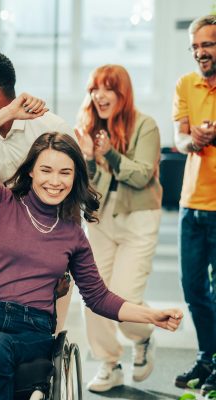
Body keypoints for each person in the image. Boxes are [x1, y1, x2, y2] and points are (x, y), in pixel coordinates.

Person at [0, 95, 183, 400]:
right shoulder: (0, 201)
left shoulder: (73, 234)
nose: (55, 181)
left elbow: (98, 297)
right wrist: (8, 113)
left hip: (31, 326)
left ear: (75, 177)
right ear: (30, 171)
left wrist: (151, 316)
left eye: (65, 172)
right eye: (46, 170)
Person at [0, 51, 74, 331]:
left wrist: (64, 266)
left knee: (41, 343)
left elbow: (71, 200)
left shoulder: (51, 128)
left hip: (47, 248)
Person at [74, 64, 163, 393]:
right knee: (92, 295)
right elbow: (86, 186)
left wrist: (108, 153)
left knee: (125, 299)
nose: (99, 95)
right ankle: (109, 363)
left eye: (107, 88)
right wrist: (85, 157)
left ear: (121, 93)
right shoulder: (89, 128)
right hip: (100, 221)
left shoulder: (145, 126)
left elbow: (141, 176)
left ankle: (144, 336)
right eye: (94, 88)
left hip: (138, 219)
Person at [172, 14, 216, 395]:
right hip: (192, 203)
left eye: (208, 44)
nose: (201, 53)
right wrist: (196, 140)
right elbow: (180, 139)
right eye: (196, 47)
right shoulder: (187, 84)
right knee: (193, 289)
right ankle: (208, 356)